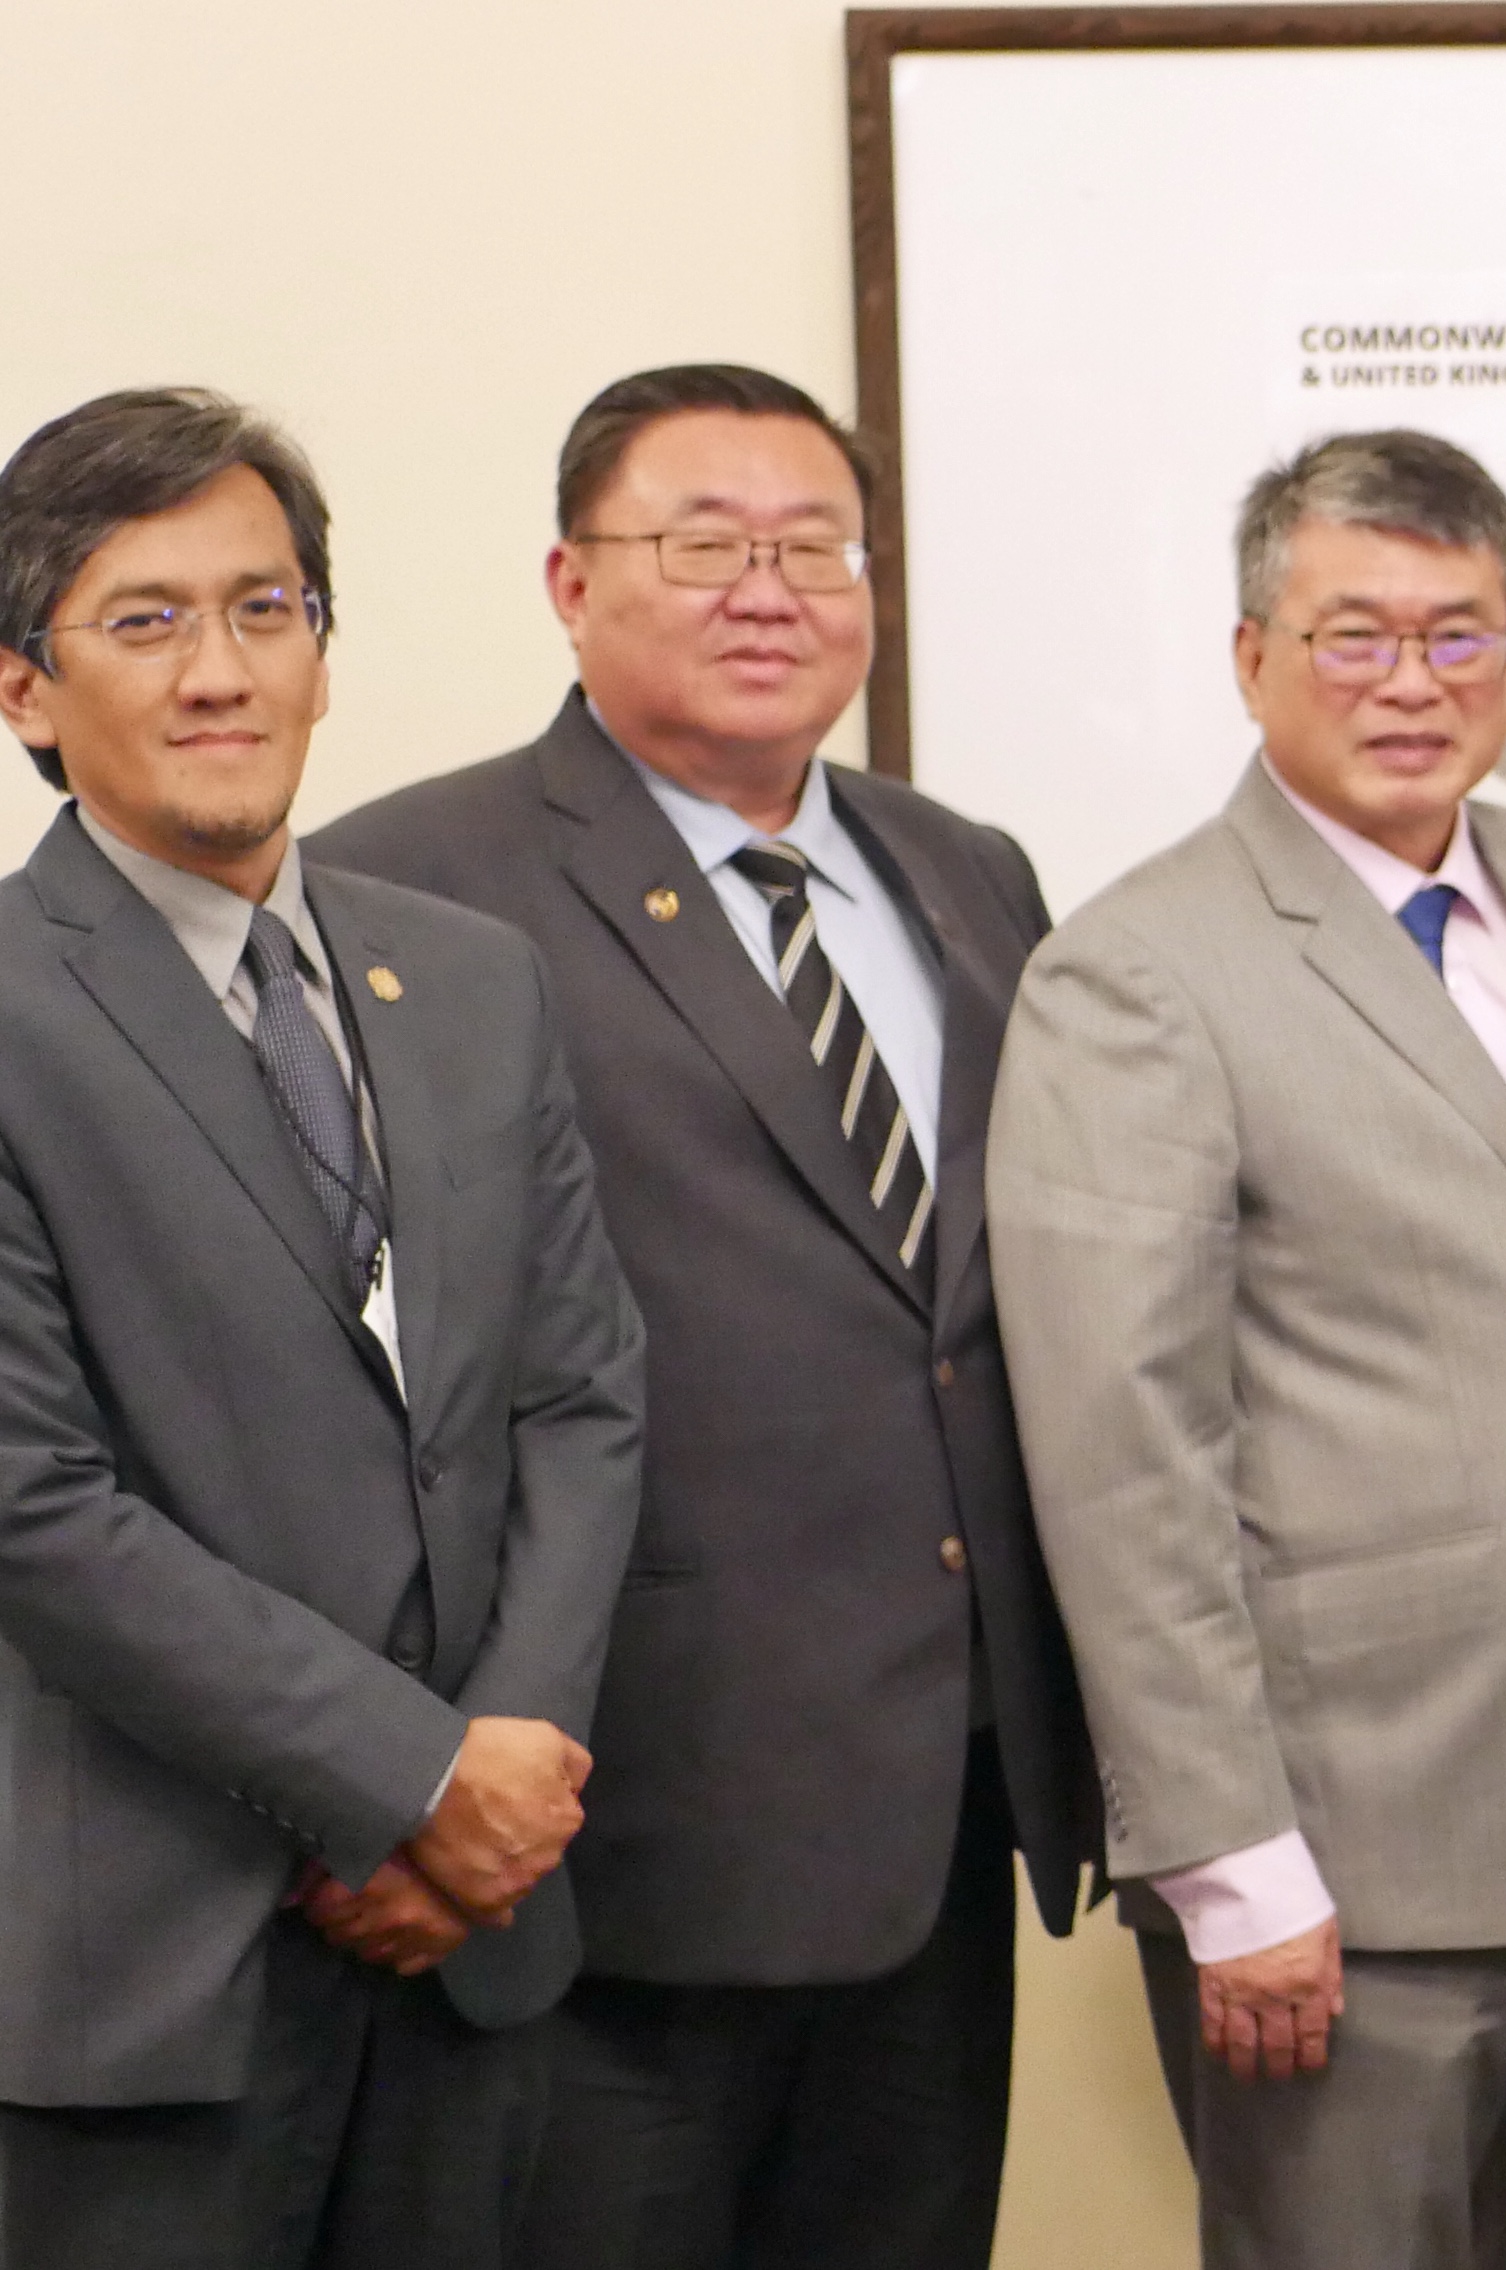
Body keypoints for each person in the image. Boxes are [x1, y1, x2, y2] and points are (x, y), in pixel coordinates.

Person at [309, 363, 1102, 2270]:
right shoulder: (408, 885)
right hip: (610, 1820)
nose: (771, 588)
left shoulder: (965, 872)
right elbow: (339, 1381)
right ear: (571, 583)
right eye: (704, 545)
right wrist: (383, 1771)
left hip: (944, 1801)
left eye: (813, 545)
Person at [986, 429, 1506, 2270]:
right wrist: (1231, 1863)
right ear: (1252, 659)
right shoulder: (1138, 970)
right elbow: (1120, 1455)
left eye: (1458, 636)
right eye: (1355, 635)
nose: (1412, 682)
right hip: (1347, 1867)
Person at [0, 387, 648, 2266]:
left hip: (467, 1955)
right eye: (146, 620)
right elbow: (33, 1504)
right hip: (144, 1980)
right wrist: (410, 1780)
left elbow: (578, 1396)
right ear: (26, 689)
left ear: (324, 650)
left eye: (265, 609)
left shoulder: (463, 977)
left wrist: (502, 1772)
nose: (221, 672)